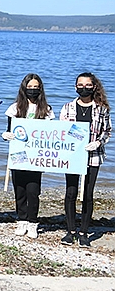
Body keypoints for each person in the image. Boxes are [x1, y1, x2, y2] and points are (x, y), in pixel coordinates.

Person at [59, 72, 111, 248]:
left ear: (94, 87)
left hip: (93, 156)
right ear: (75, 87)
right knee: (71, 192)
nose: (84, 88)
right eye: (80, 85)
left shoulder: (102, 108)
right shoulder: (67, 108)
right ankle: (70, 231)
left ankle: (84, 232)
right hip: (72, 156)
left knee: (87, 194)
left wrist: (98, 142)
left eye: (88, 85)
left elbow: (107, 131)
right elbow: (60, 132)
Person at [2, 74, 54, 239]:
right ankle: (22, 219)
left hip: (36, 157)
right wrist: (6, 135)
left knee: (33, 190)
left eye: (36, 87)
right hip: (18, 155)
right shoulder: (15, 108)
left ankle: (33, 222)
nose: (32, 90)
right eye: (29, 87)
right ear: (24, 88)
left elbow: (51, 133)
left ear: (40, 89)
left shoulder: (46, 109)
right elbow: (9, 129)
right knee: (19, 189)